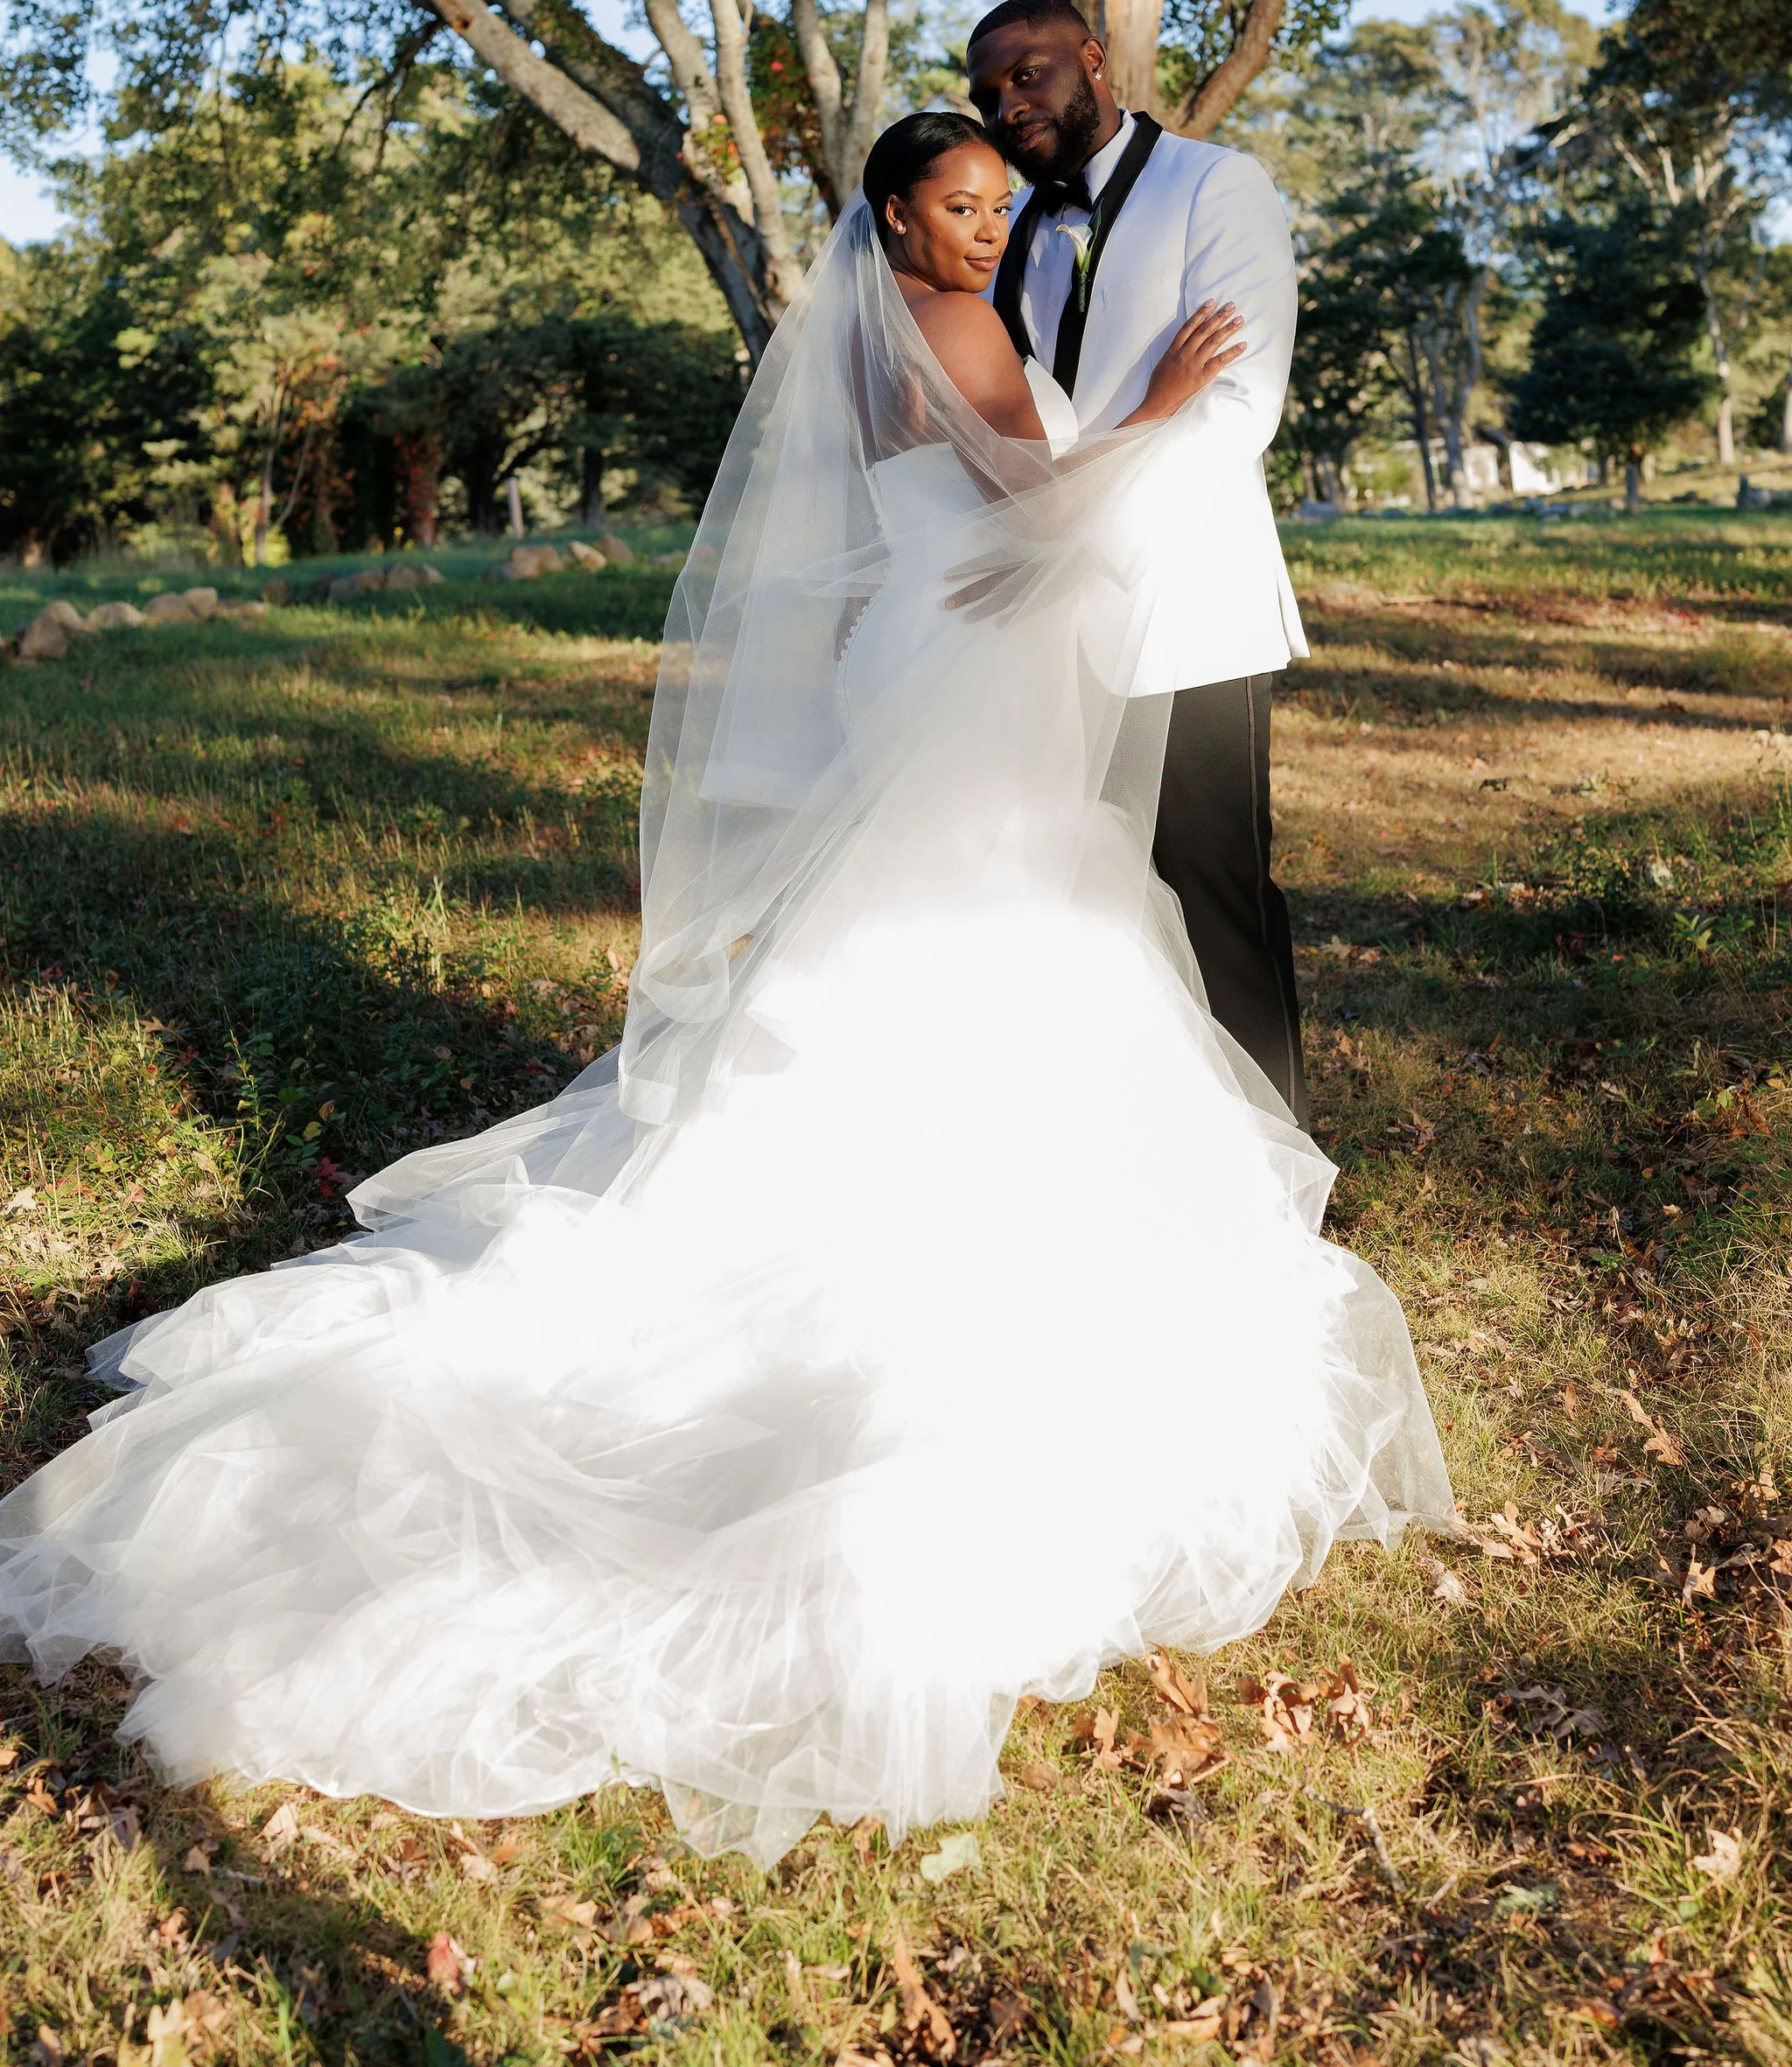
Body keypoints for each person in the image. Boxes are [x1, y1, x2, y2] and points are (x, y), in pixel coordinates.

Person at [0, 116, 1450, 1870]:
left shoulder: (852, 331)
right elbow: (1030, 504)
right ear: (893, 212)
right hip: (971, 686)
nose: (985, 227)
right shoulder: (963, 329)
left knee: (916, 949)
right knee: (993, 955)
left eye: (1001, 203)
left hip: (934, 661)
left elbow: (925, 531)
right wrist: (1155, 406)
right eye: (954, 202)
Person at [966, 0, 1310, 1120]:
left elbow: (1235, 408)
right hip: (1052, 620)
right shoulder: (1016, 234)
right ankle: (1157, 1137)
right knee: (1098, 890)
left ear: (1093, 59)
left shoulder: (1218, 185)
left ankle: (1278, 1151)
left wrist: (1070, 539)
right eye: (990, 92)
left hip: (1185, 603)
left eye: (1027, 74)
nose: (1009, 103)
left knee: (1213, 883)